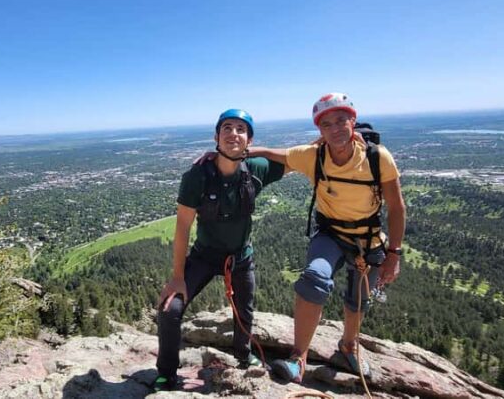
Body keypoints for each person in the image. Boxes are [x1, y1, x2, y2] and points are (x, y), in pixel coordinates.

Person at [249, 93, 406, 383]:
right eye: (327, 124)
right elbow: (276, 154)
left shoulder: (376, 157)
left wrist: (394, 254)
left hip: (368, 239)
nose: (335, 129)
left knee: (358, 299)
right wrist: (235, 151)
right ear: (319, 130)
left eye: (341, 120)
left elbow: (396, 207)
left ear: (353, 121)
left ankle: (349, 346)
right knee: (314, 278)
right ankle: (298, 358)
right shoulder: (313, 156)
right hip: (330, 233)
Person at [153, 109, 286, 391]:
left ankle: (243, 354)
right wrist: (177, 277)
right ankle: (166, 372)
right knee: (170, 309)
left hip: (240, 257)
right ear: (216, 136)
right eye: (227, 128)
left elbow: (299, 158)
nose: (233, 133)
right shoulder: (197, 176)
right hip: (204, 255)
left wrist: (253, 151)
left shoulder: (257, 169)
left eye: (241, 129)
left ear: (249, 139)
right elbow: (182, 229)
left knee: (244, 310)